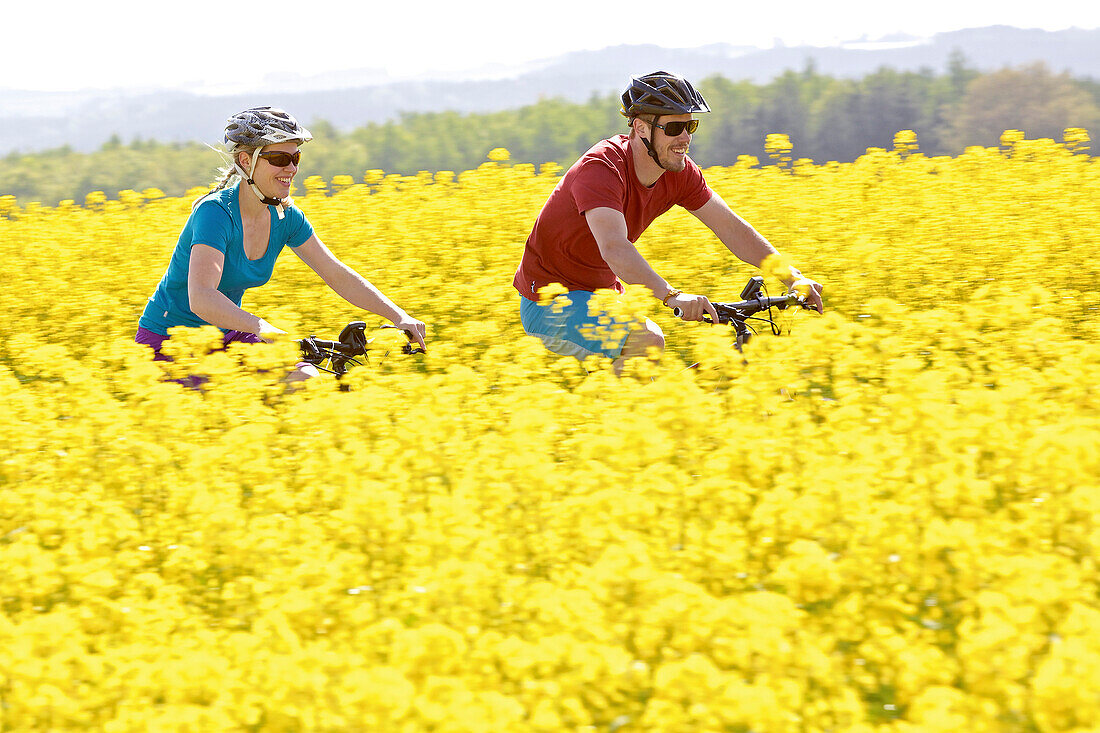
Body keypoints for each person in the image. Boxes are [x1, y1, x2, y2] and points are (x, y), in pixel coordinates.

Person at [513, 71, 824, 372]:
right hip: (548, 300)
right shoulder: (601, 169)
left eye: (691, 126)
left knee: (654, 391)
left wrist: (793, 277)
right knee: (647, 340)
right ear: (641, 128)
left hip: (603, 296)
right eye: (675, 128)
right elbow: (614, 247)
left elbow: (731, 228)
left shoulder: (679, 172)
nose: (685, 138)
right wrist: (672, 295)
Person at [135, 107, 426, 379]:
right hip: (170, 342)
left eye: (295, 158)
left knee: (305, 377)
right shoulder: (215, 213)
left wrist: (398, 316)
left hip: (227, 334)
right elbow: (201, 296)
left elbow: (335, 273)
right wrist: (259, 326)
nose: (291, 168)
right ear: (245, 161)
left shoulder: (286, 217)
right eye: (279, 159)